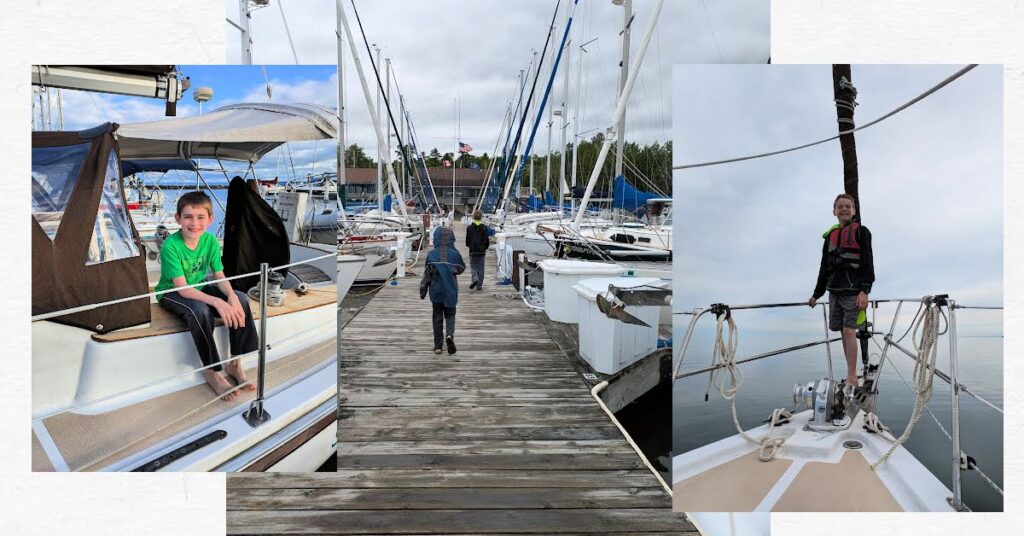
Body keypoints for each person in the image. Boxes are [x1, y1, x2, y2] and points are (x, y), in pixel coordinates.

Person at [155, 192, 259, 401]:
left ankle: (235, 363)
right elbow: (183, 290)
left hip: (199, 288)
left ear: (210, 219)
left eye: (200, 217)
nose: (194, 223)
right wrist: (217, 301)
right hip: (172, 292)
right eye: (188, 217)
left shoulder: (210, 241)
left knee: (242, 298)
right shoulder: (171, 246)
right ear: (178, 219)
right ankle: (211, 371)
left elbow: (219, 275)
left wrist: (230, 296)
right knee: (200, 311)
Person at [807, 193, 875, 391]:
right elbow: (823, 268)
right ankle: (850, 373)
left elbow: (868, 263)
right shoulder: (829, 237)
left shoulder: (862, 232)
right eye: (840, 206)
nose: (844, 209)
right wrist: (816, 294)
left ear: (853, 211)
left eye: (848, 206)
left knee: (848, 330)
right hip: (834, 292)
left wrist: (865, 291)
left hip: (853, 291)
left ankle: (852, 377)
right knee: (842, 333)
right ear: (834, 211)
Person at [420, 226, 466, 354]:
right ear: (451, 239)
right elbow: (461, 268)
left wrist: (422, 291)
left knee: (437, 317)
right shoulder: (455, 254)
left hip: (436, 291)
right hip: (451, 290)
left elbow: (426, 275)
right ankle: (449, 335)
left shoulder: (431, 255)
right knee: (450, 315)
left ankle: (438, 346)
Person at [465, 209, 494, 290]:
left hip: (473, 250)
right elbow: (486, 240)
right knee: (481, 268)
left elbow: (467, 239)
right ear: (481, 217)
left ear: (473, 217)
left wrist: (469, 246)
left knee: (473, 266)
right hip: (482, 251)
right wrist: (485, 247)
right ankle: (479, 285)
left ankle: (475, 278)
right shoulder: (484, 227)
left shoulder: (469, 227)